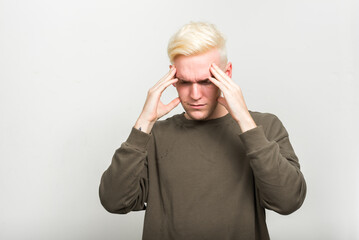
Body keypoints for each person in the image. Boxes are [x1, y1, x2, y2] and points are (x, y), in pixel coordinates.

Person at [99, 22, 306, 240]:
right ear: (172, 78)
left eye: (206, 81)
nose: (195, 94)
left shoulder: (263, 127)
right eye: (185, 81)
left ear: (227, 74)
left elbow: (288, 201)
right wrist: (144, 122)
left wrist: (245, 121)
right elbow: (114, 201)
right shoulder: (153, 135)